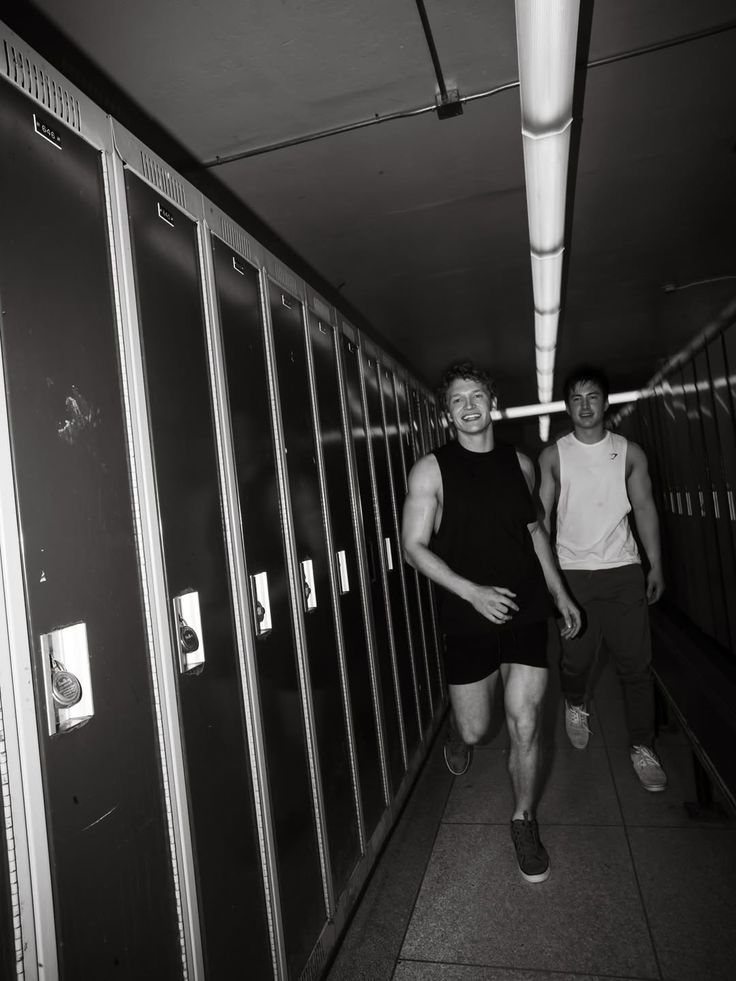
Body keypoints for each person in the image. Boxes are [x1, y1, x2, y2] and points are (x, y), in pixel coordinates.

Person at [401, 360, 581, 883]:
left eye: (476, 395)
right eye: (457, 400)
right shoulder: (431, 470)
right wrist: (472, 592)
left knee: (525, 720)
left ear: (492, 403)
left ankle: (523, 820)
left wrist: (559, 593)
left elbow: (534, 533)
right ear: (447, 413)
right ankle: (459, 732)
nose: (469, 406)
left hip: (525, 606)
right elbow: (412, 546)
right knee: (478, 729)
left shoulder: (520, 465)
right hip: (466, 612)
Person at [538, 364, 667, 791]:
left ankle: (642, 746)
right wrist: (549, 580)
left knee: (636, 666)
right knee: (575, 660)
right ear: (567, 406)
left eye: (592, 396)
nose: (585, 405)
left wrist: (655, 563)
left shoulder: (629, 453)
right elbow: (541, 521)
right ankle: (575, 701)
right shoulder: (553, 456)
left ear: (605, 403)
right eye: (576, 398)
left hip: (623, 571)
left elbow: (644, 508)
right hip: (573, 574)